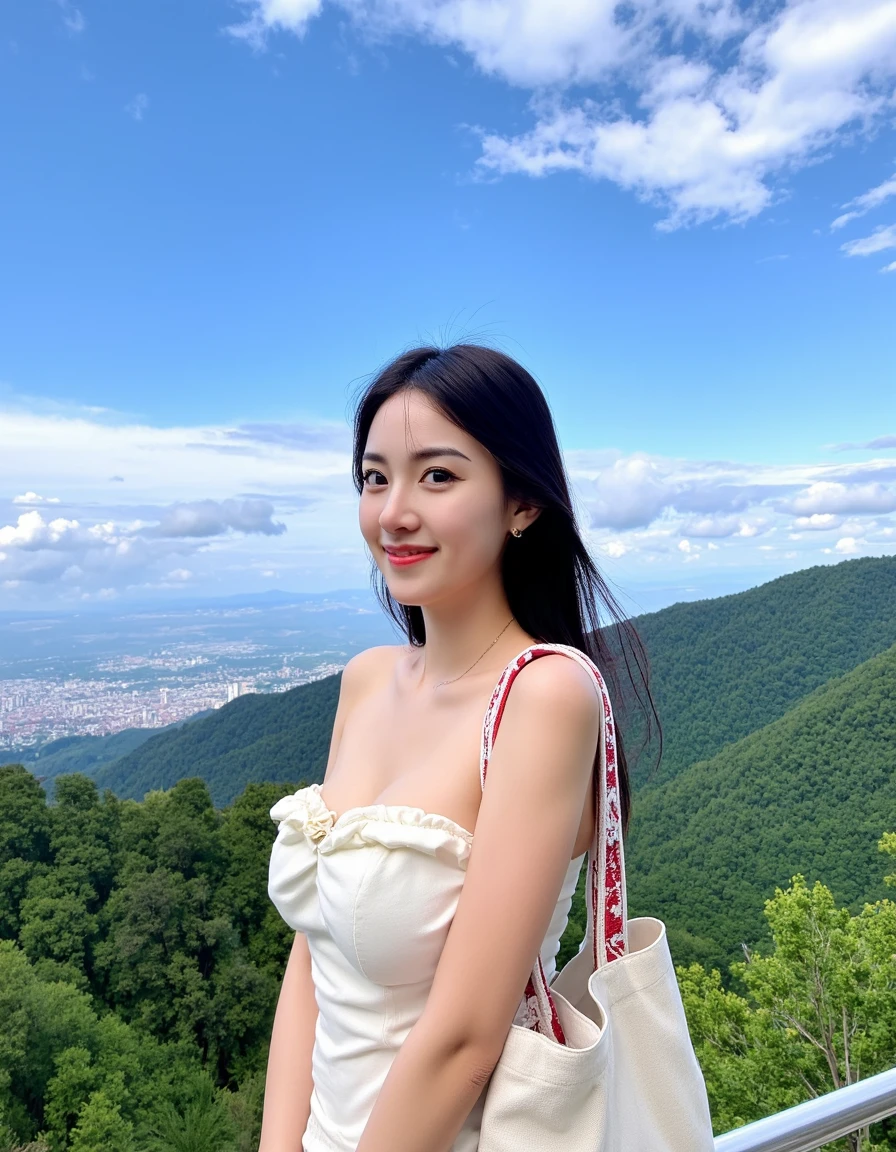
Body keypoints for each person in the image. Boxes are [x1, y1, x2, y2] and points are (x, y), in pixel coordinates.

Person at [259, 343, 656, 1152]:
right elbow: (314, 954)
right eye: (375, 477)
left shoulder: (544, 696)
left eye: (438, 476)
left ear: (522, 503)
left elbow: (465, 1042)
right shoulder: (367, 682)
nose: (394, 511)